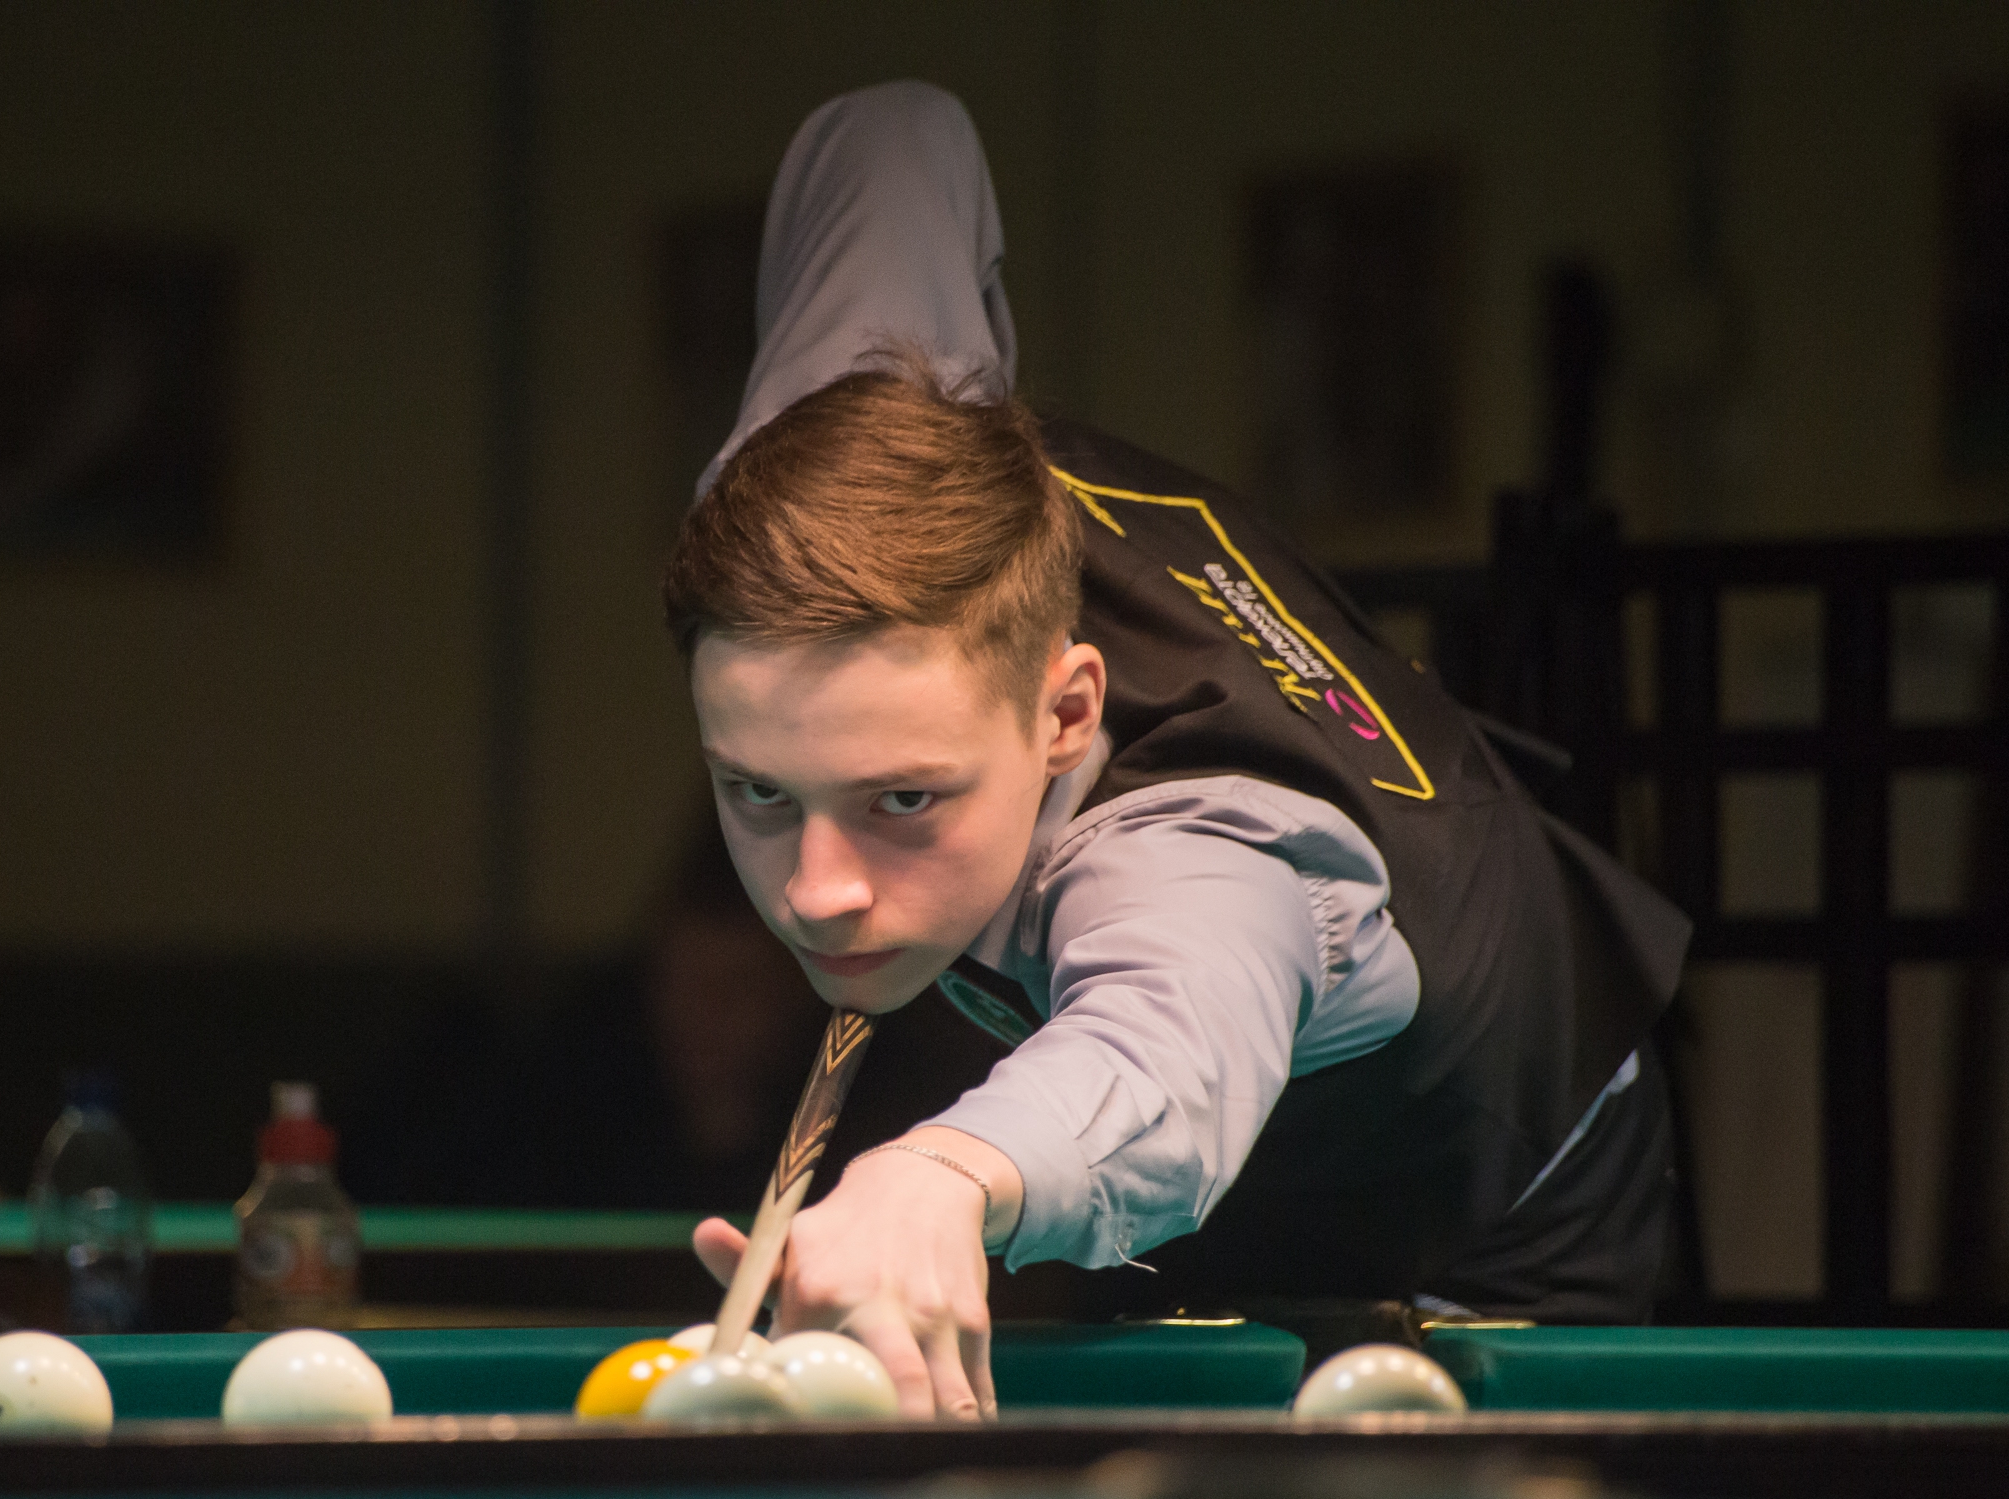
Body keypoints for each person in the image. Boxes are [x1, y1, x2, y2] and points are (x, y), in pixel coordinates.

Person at [665, 82, 1689, 1420]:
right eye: (757, 790)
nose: (817, 892)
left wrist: (940, 1175)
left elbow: (1164, 1049)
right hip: (1213, 1174)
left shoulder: (1191, 855)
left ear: (1064, 717)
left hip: (1488, 1180)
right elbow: (898, 134)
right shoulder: (848, 449)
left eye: (902, 798)